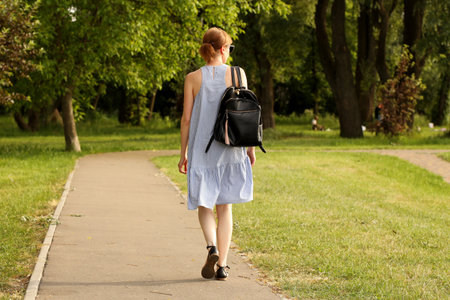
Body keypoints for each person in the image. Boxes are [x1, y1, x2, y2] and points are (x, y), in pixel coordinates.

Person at [178, 27, 255, 281]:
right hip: (231, 148)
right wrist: (250, 148)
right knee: (225, 207)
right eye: (229, 48)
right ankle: (222, 265)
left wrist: (183, 153)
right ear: (223, 49)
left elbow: (187, 120)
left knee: (204, 203)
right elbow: (246, 113)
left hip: (202, 149)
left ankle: (211, 246)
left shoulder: (192, 78)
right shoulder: (237, 73)